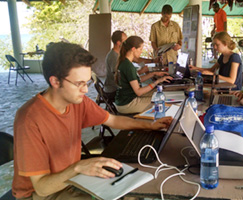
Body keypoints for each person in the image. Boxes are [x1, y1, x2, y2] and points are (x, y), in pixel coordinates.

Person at [12, 42, 172, 199]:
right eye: (79, 83)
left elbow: (113, 121)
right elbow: (42, 187)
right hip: (41, 193)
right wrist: (78, 168)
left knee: (133, 192)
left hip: (70, 179)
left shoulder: (77, 101)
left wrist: (150, 125)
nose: (86, 90)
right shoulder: (29, 119)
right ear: (55, 82)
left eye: (87, 82)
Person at [115, 36, 173, 114]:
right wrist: (157, 81)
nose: (141, 52)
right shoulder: (128, 66)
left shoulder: (125, 62)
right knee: (161, 99)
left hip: (124, 99)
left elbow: (136, 81)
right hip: (127, 104)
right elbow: (139, 92)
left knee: (158, 92)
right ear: (133, 49)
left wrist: (154, 74)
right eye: (140, 49)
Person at [103, 30, 155, 100]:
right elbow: (121, 78)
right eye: (125, 41)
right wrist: (140, 72)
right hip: (114, 90)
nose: (127, 42)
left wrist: (153, 61)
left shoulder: (121, 54)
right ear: (119, 43)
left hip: (119, 88)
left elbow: (137, 60)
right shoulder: (114, 57)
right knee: (150, 93)